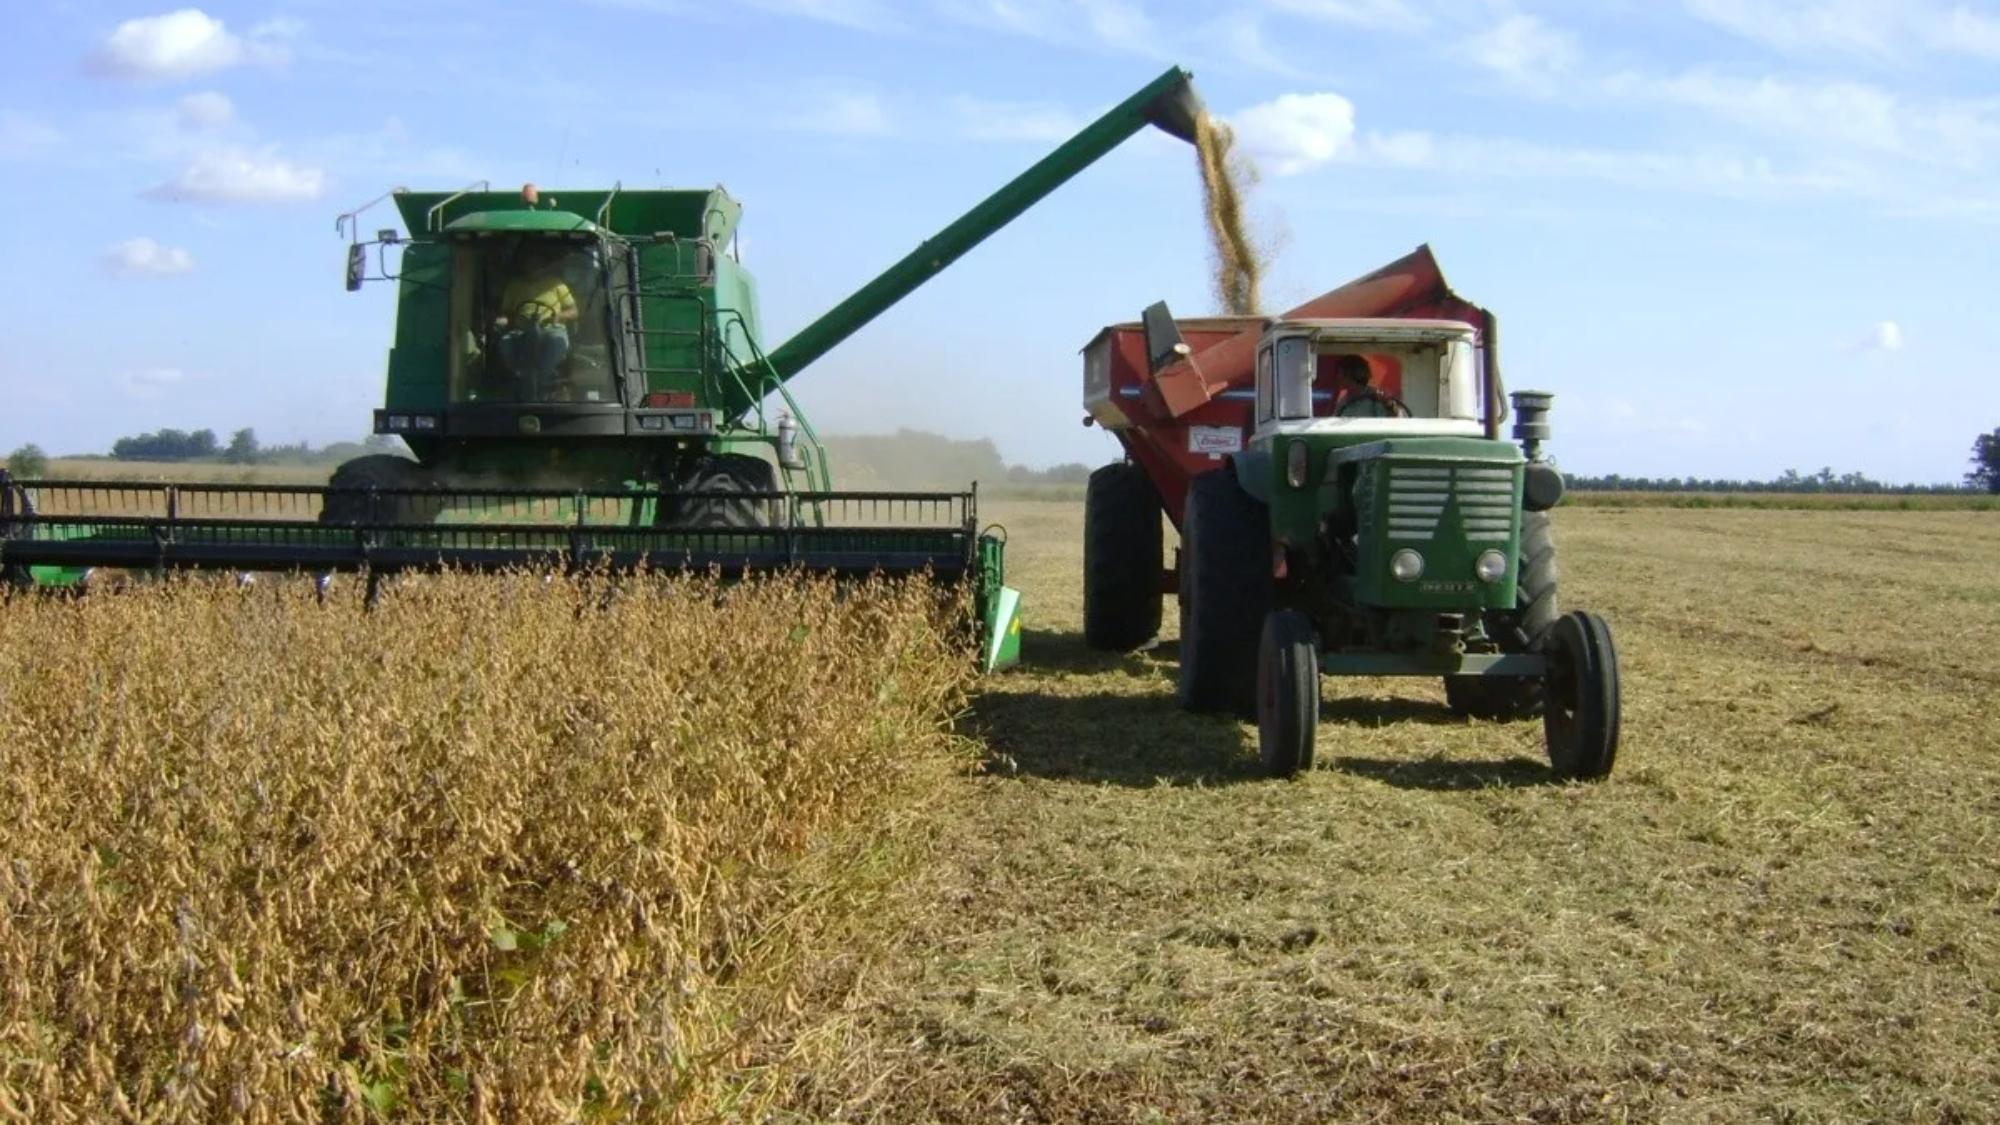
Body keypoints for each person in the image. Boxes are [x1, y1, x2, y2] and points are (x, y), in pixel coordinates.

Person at [494, 247, 580, 399]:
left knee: (556, 342)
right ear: (524, 266)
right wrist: (502, 321)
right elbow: (507, 313)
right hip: (521, 331)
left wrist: (559, 316)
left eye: (538, 264)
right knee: (505, 343)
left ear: (545, 266)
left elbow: (574, 311)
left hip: (551, 329)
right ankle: (521, 377)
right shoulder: (515, 285)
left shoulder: (556, 284)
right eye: (530, 264)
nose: (534, 268)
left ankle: (543, 380)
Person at [1330, 353, 1408, 419]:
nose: (1337, 377)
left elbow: (1394, 421)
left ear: (1350, 374)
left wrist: (1389, 405)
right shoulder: (1343, 402)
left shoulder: (1377, 398)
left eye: (1340, 373)